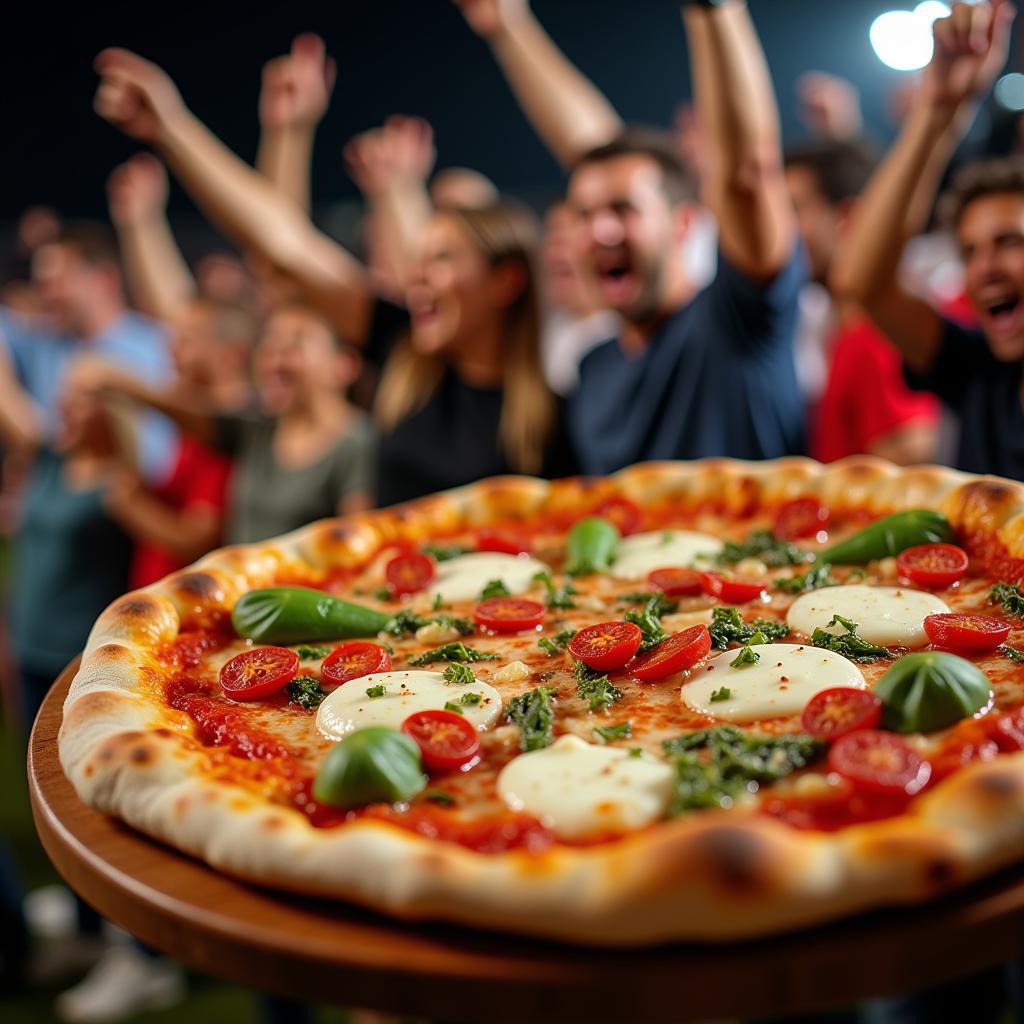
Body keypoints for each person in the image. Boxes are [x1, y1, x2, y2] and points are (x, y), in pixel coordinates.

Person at [92, 45, 575, 505]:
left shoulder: (553, 416)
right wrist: (173, 128)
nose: (417, 275)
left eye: (443, 258)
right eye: (419, 258)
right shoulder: (401, 351)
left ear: (506, 281)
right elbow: (284, 244)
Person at [456, 0, 805, 473]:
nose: (601, 230)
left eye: (624, 210)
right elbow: (597, 152)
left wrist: (714, 13)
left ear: (684, 224)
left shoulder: (734, 321)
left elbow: (747, 176)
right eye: (583, 215)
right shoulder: (594, 367)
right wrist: (509, 27)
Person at [831, 0, 1024, 483]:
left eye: (1010, 242)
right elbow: (864, 282)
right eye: (969, 252)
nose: (985, 268)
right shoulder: (978, 369)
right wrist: (938, 110)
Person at [784, 139, 940, 464]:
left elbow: (911, 480)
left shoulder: (875, 338)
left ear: (848, 218)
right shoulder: (843, 330)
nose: (779, 229)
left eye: (794, 210)